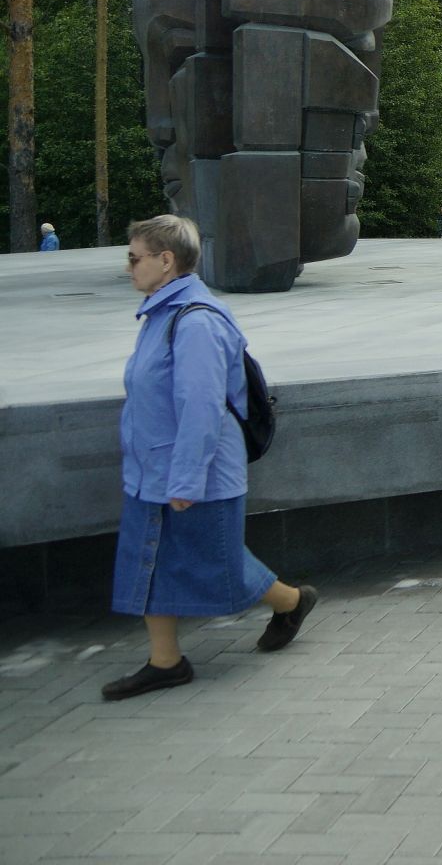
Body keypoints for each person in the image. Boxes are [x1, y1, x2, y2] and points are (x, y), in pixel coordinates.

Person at [104, 215, 317, 701]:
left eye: (134, 257)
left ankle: (291, 600)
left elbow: (200, 409)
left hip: (192, 474)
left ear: (166, 260)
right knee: (149, 562)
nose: (128, 267)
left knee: (215, 562)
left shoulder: (195, 322)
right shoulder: (161, 313)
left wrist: (184, 480)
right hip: (151, 470)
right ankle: (166, 662)